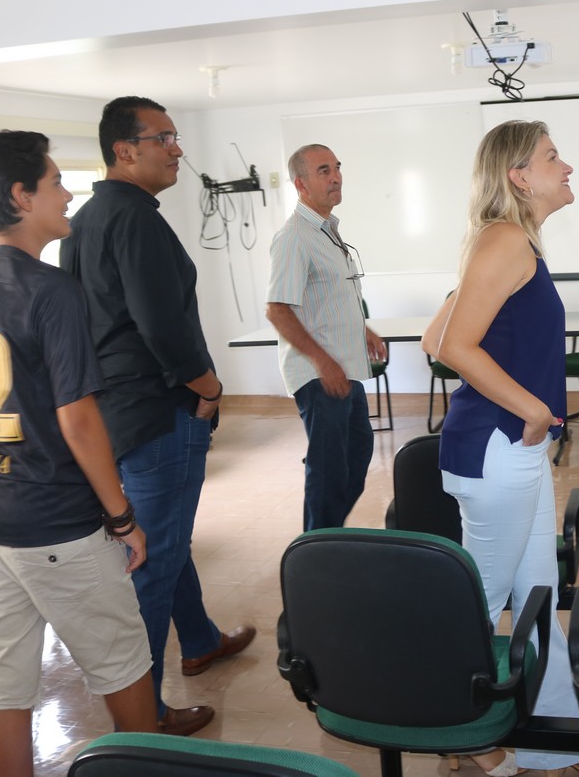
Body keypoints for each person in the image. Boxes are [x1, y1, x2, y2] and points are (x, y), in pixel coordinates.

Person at [0, 130, 158, 777]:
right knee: (123, 665)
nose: (67, 193)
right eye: (56, 182)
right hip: (55, 524)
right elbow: (78, 420)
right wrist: (121, 517)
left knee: (5, 683)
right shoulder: (53, 290)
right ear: (21, 195)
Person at [423, 121, 579, 777]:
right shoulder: (505, 240)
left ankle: (556, 744)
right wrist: (535, 407)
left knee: (538, 596)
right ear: (519, 176)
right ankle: (454, 733)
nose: (567, 167)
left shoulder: (509, 241)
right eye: (552, 156)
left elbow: (433, 335)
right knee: (480, 603)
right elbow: (452, 347)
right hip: (496, 447)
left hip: (513, 449)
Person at [60, 97, 255, 737]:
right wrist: (209, 387)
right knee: (154, 558)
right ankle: (145, 714)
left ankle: (199, 639)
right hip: (157, 412)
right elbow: (161, 326)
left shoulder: (84, 221)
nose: (177, 149)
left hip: (114, 413)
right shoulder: (136, 220)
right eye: (164, 138)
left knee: (164, 537)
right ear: (125, 150)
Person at [266, 144, 387, 531]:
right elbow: (278, 310)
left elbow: (325, 297)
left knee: (356, 457)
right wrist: (322, 362)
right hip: (321, 375)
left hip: (344, 367)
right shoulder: (294, 237)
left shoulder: (326, 230)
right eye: (324, 171)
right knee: (329, 470)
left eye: (336, 168)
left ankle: (328, 537)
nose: (336, 177)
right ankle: (318, 547)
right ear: (300, 184)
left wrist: (362, 329)